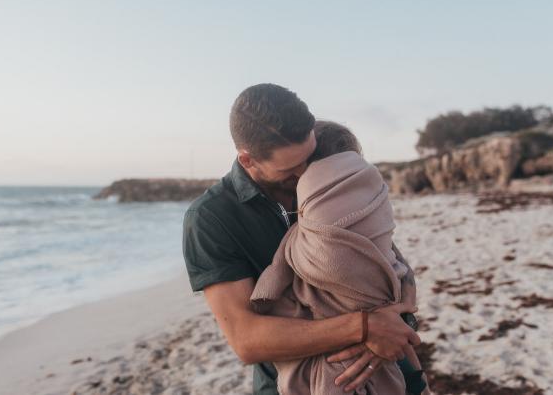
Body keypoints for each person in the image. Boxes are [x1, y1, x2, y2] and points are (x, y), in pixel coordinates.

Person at [183, 84, 420, 395]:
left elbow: (385, 259)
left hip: (390, 367)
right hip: (295, 385)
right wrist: (365, 328)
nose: (305, 175)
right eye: (290, 170)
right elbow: (247, 340)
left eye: (309, 159)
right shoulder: (211, 219)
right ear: (247, 160)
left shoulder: (328, 166)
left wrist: (398, 321)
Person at [250, 121, 428, 394]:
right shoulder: (371, 200)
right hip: (394, 347)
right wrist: (398, 311)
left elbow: (287, 269)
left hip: (346, 356)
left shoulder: (311, 228)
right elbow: (394, 261)